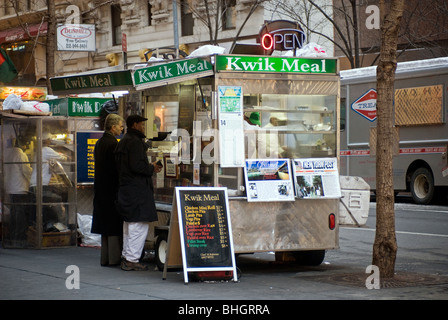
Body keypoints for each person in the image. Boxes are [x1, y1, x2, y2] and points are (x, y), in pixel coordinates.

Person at [115, 114, 162, 271]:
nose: (143, 127)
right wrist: (152, 168)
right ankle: (132, 259)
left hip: (126, 189)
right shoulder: (134, 142)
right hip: (137, 190)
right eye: (142, 124)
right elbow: (137, 166)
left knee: (129, 225)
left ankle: (127, 256)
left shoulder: (124, 141)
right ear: (135, 125)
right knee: (138, 225)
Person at [91, 113, 125, 266]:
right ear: (113, 127)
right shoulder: (113, 144)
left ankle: (105, 258)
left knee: (105, 226)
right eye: (120, 126)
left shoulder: (99, 142)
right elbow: (116, 169)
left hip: (100, 189)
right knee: (113, 226)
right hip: (111, 189)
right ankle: (114, 258)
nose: (121, 128)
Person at [30, 132, 67, 230]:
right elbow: (62, 158)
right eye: (49, 139)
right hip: (40, 183)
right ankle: (45, 227)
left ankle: (40, 227)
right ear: (46, 141)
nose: (50, 141)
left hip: (35, 182)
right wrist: (64, 155)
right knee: (45, 205)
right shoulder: (46, 150)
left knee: (40, 206)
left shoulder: (39, 151)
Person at [4, 137, 33, 245]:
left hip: (10, 187)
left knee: (13, 212)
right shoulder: (21, 154)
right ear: (23, 145)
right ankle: (19, 237)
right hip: (19, 188)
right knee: (20, 213)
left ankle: (12, 235)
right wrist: (33, 177)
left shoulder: (8, 154)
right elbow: (26, 170)